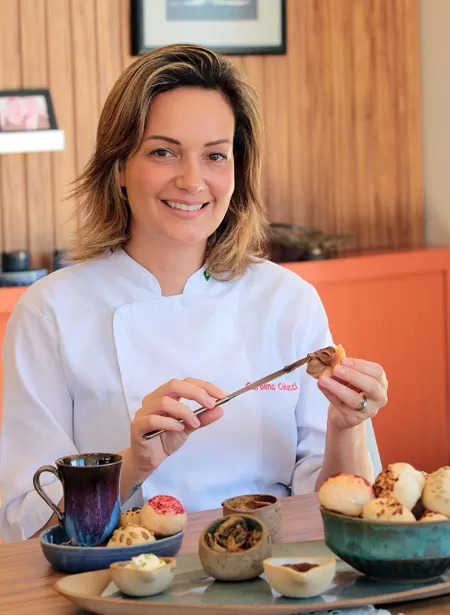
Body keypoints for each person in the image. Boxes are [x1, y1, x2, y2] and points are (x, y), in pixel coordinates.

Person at [0, 44, 388, 542]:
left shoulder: (287, 300)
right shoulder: (51, 311)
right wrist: (133, 463)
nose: (192, 180)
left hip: (278, 578)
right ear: (118, 167)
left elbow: (343, 505)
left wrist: (346, 425)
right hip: (127, 583)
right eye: (163, 151)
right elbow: (21, 527)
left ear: (237, 170)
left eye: (215, 156)